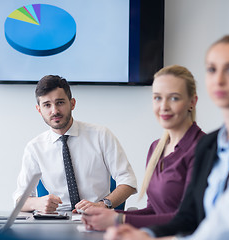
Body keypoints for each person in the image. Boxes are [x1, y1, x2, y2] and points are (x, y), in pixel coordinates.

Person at [103, 34, 229, 240]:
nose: (219, 80)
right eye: (212, 70)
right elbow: (191, 217)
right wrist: (147, 233)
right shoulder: (211, 144)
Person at [80, 65, 206, 231]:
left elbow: (190, 217)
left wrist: (119, 219)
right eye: (157, 98)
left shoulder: (203, 147)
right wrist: (106, 214)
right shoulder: (156, 148)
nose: (164, 106)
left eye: (174, 98)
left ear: (192, 102)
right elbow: (154, 211)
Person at [13, 75, 137, 213]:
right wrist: (37, 203)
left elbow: (129, 182)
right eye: (47, 105)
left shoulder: (101, 135)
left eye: (60, 102)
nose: (54, 111)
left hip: (98, 215)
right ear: (39, 109)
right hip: (57, 221)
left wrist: (104, 204)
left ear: (72, 103)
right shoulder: (35, 148)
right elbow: (19, 200)